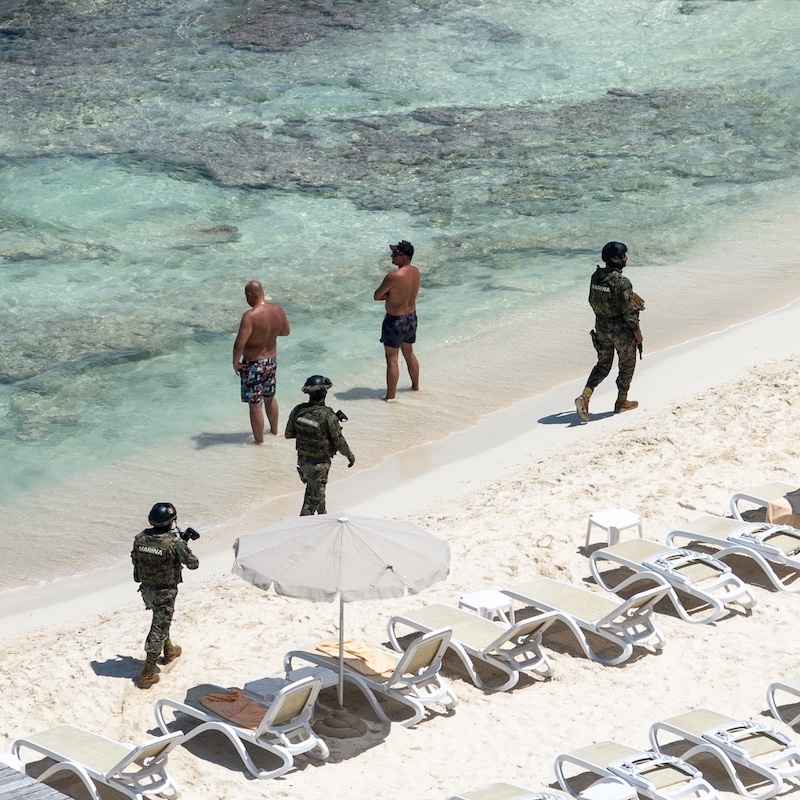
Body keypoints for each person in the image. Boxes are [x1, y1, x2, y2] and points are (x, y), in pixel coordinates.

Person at [131, 502, 199, 689]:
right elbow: (193, 564)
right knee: (158, 628)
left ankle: (169, 651)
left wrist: (180, 544)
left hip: (147, 591)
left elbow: (139, 560)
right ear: (171, 521)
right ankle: (147, 674)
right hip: (165, 592)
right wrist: (182, 545)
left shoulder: (140, 539)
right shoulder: (174, 543)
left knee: (161, 621)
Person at [575, 241, 645, 421]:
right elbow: (629, 313)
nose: (625, 258)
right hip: (621, 330)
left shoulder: (596, 277)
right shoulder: (623, 282)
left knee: (603, 365)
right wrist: (637, 332)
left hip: (601, 327)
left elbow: (593, 300)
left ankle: (586, 396)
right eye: (623, 256)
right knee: (627, 364)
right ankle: (621, 401)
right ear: (615, 259)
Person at [285, 375, 355, 515]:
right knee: (311, 501)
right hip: (319, 464)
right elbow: (339, 441)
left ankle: (323, 517)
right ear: (325, 393)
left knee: (317, 491)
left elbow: (289, 434)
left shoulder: (298, 410)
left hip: (303, 461)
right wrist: (350, 456)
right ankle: (302, 530)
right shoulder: (328, 417)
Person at [232, 280, 290, 443]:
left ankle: (259, 443)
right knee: (270, 397)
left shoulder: (250, 316)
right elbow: (285, 332)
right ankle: (274, 432)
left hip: (253, 365)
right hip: (271, 361)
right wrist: (267, 334)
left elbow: (239, 344)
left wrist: (235, 363)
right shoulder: (278, 310)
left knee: (255, 404)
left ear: (249, 295)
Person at [374, 240, 421, 400]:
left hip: (395, 321)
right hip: (411, 317)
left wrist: (389, 296)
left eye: (395, 254)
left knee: (392, 359)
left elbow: (377, 296)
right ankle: (415, 386)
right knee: (409, 353)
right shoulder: (415, 271)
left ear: (404, 257)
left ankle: (390, 396)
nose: (392, 256)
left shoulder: (393, 276)